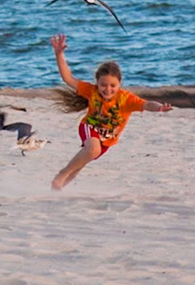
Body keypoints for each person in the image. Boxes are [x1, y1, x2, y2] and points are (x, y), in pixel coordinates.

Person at [49, 34, 172, 190]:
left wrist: (159, 107)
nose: (107, 89)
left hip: (108, 139)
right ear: (97, 83)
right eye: (103, 85)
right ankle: (61, 175)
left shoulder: (126, 99)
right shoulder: (91, 91)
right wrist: (59, 54)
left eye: (112, 85)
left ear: (120, 83)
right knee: (93, 150)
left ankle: (57, 190)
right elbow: (68, 78)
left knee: (80, 165)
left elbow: (147, 104)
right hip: (90, 127)